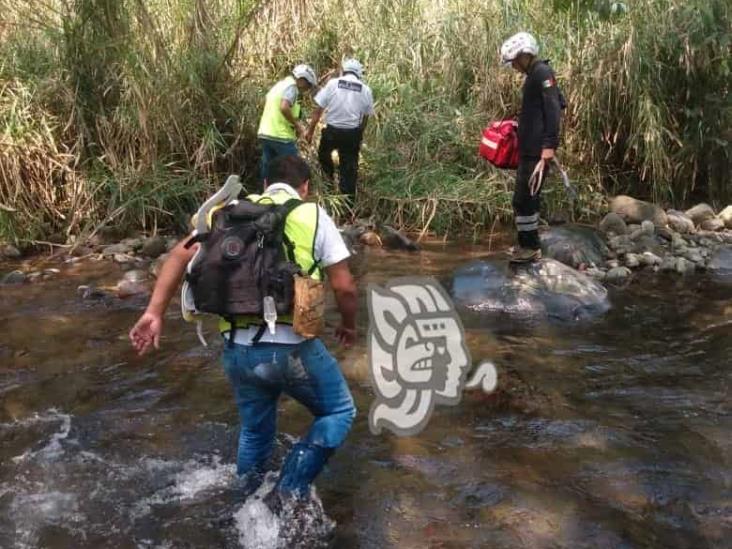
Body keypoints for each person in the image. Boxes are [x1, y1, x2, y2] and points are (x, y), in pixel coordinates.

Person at [129, 155, 358, 506]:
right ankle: (288, 491)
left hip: (236, 350)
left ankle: (246, 505)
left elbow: (177, 257)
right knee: (339, 411)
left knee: (254, 431)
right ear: (305, 187)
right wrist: (348, 325)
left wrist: (154, 312)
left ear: (264, 185)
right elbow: (344, 287)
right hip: (291, 348)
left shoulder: (227, 211)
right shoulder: (311, 214)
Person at [500, 32, 563, 263]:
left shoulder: (543, 73)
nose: (514, 66)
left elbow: (554, 109)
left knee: (525, 198)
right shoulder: (534, 75)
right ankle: (526, 244)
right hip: (529, 149)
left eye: (515, 61)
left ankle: (530, 248)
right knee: (524, 198)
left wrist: (549, 146)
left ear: (525, 55)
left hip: (537, 151)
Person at [306, 58, 374, 208]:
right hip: (351, 134)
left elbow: (318, 110)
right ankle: (347, 208)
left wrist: (310, 131)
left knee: (324, 157)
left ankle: (328, 187)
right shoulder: (365, 89)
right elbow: (366, 117)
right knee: (349, 170)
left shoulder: (332, 84)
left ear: (343, 71)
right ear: (359, 74)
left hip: (332, 132)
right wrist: (359, 134)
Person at [257, 65, 318, 185]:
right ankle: (293, 197)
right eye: (308, 84)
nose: (307, 89)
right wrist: (298, 126)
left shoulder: (280, 85)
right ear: (301, 80)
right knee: (294, 168)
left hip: (266, 133)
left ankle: (264, 195)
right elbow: (284, 107)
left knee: (269, 168)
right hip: (281, 136)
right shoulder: (292, 87)